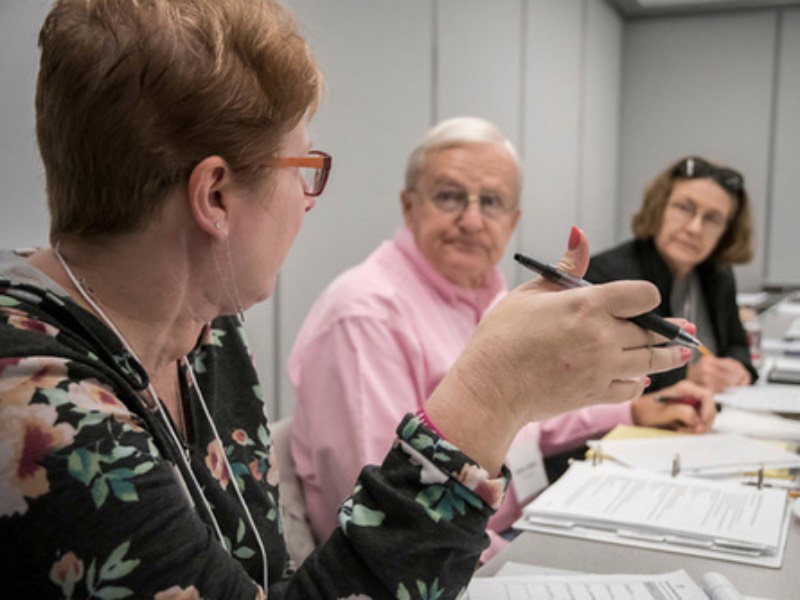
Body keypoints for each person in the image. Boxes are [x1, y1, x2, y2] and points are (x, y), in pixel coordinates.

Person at [0, 0, 690, 596]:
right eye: (303, 168)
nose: (308, 203)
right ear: (215, 196)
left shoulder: (203, 332)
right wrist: (489, 396)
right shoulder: (36, 412)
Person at [289, 117, 716, 563]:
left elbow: (530, 414)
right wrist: (535, 563)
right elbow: (390, 519)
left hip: (506, 533)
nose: (471, 220)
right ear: (409, 205)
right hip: (438, 565)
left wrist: (634, 408)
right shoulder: (366, 315)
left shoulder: (486, 294)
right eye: (450, 196)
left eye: (490, 202)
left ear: (512, 221)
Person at [586, 156, 758, 394]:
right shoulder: (609, 274)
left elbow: (737, 344)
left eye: (712, 219)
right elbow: (598, 371)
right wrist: (687, 375)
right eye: (684, 208)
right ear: (659, 207)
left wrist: (738, 367)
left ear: (726, 233)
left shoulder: (718, 274)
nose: (694, 228)